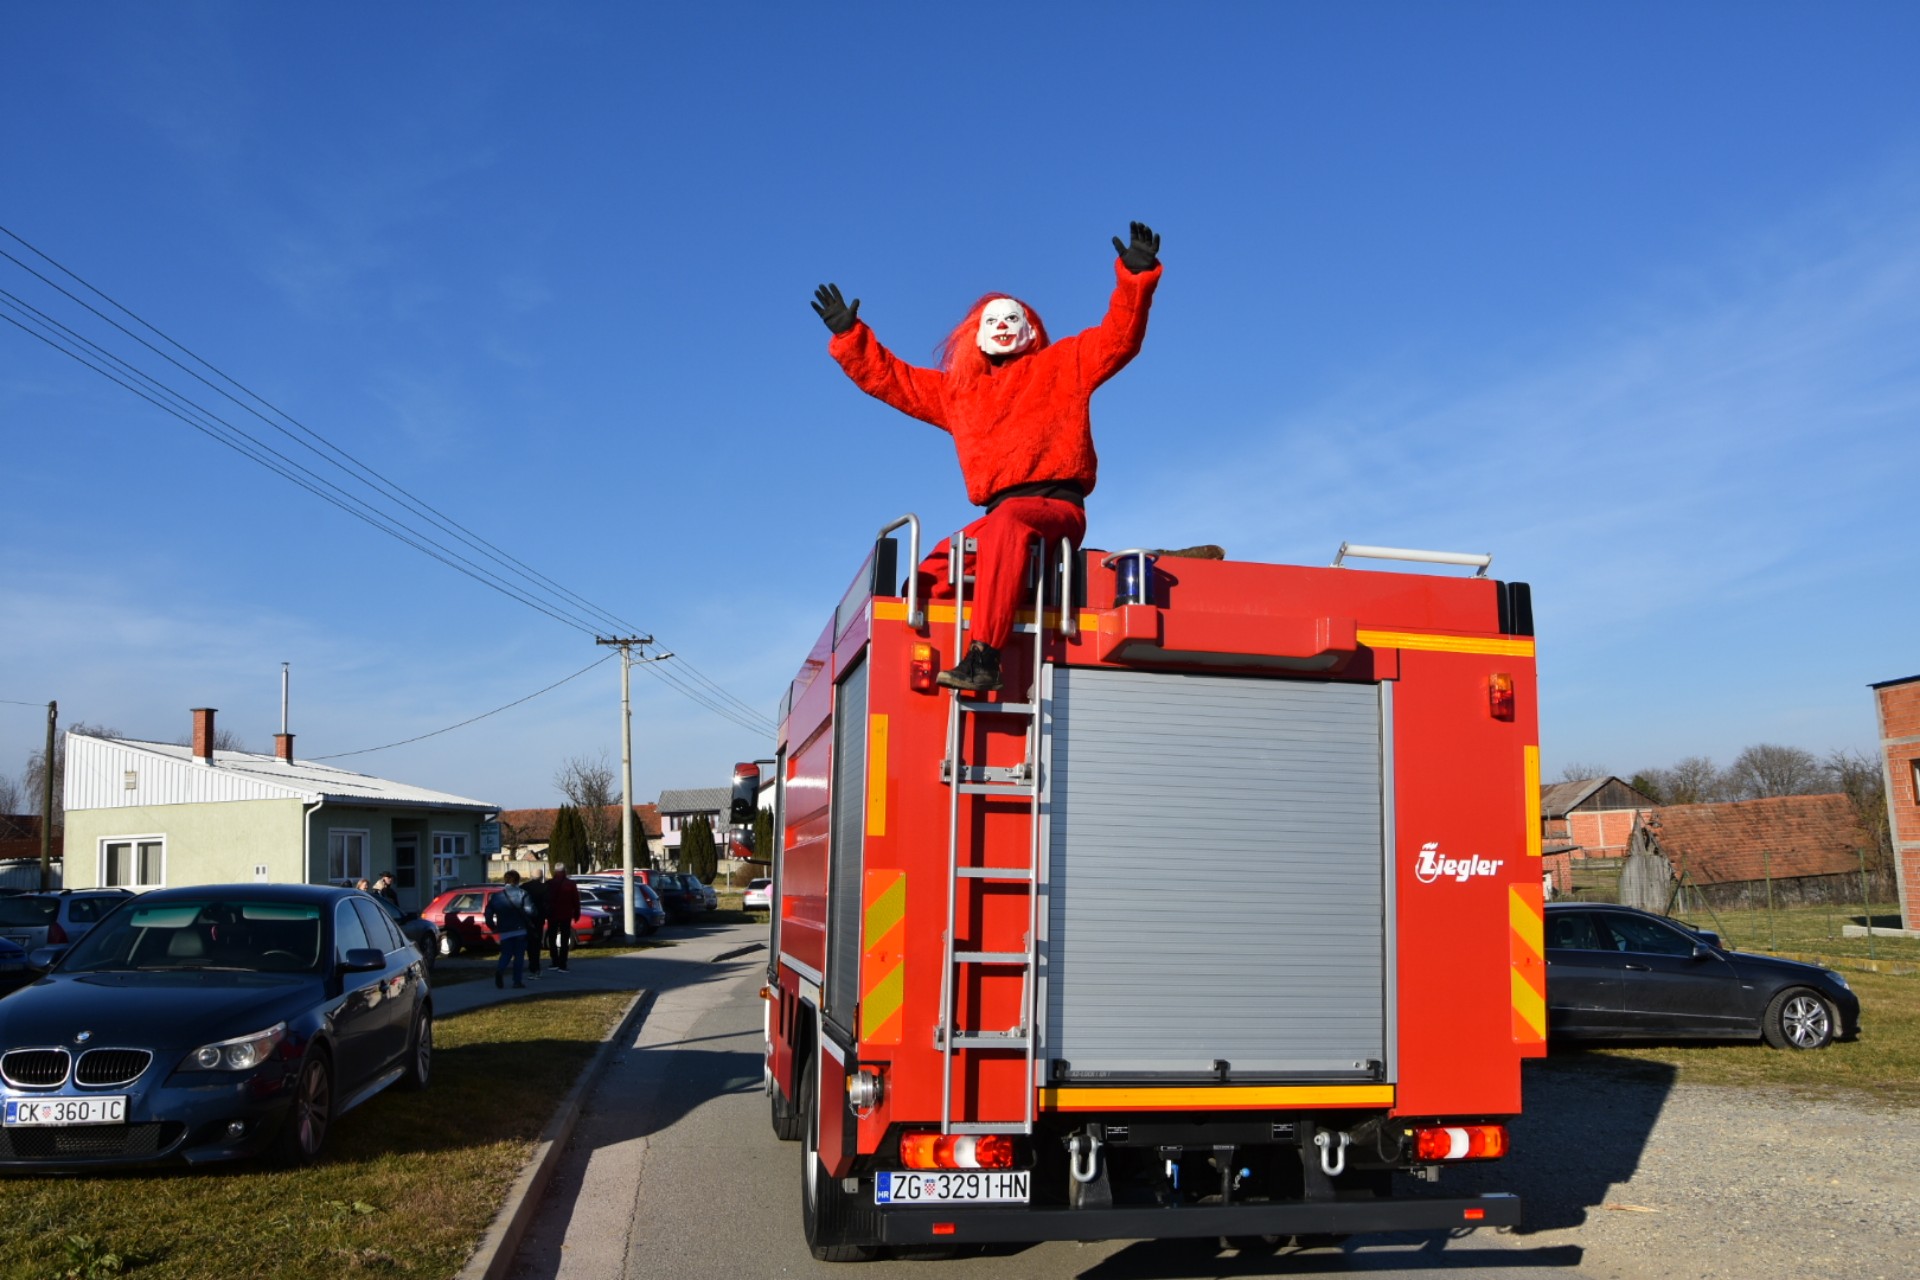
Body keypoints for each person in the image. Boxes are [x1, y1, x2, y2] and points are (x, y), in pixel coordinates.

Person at [812, 221, 1162, 692]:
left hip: (1056, 509)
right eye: (990, 321)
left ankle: (985, 657)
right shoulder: (960, 393)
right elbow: (893, 380)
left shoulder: (1066, 363)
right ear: (975, 336)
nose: (1000, 326)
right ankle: (920, 677)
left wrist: (1133, 278)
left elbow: (1120, 337)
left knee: (1010, 521)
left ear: (1030, 329)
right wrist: (852, 335)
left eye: (1010, 319)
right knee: (930, 575)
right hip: (1000, 518)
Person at [485, 870, 534, 989]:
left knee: (506, 954)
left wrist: (493, 927)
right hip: (520, 929)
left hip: (504, 930)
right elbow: (530, 911)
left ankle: (500, 970)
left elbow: (488, 914)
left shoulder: (496, 897)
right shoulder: (523, 893)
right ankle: (517, 981)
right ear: (517, 880)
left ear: (505, 880)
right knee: (519, 956)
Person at [546, 864, 580, 973]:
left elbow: (545, 900)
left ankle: (554, 961)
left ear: (555, 871)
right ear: (564, 871)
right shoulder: (570, 884)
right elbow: (576, 900)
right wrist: (577, 913)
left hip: (552, 915)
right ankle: (562, 963)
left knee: (552, 938)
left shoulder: (549, 883)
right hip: (566, 914)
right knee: (565, 939)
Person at [521, 872, 550, 978]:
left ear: (530, 876)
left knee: (529, 944)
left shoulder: (524, 887)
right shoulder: (545, 888)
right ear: (541, 877)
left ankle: (532, 966)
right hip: (539, 919)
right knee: (536, 944)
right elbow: (548, 904)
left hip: (527, 920)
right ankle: (536, 967)